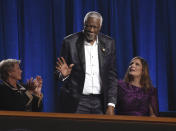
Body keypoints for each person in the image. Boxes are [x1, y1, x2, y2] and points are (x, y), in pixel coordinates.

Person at [56, 11, 118, 114]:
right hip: (77, 101)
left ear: (100, 27)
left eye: (94, 27)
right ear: (83, 24)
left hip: (101, 101)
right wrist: (63, 76)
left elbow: (111, 75)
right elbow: (58, 72)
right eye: (87, 26)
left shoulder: (109, 43)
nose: (90, 30)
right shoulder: (69, 42)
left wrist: (111, 104)